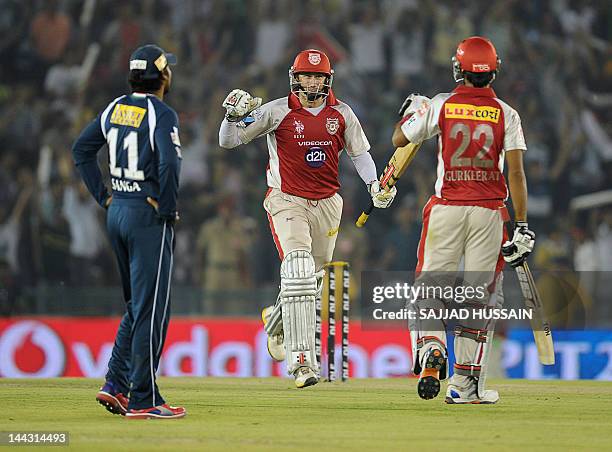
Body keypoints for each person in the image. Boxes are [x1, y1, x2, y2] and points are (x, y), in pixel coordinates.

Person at [219, 49, 396, 388]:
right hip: (287, 200)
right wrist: (231, 117)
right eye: (306, 75)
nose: (312, 81)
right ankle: (302, 363)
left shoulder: (342, 113)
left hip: (328, 203)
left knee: (310, 282)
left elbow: (361, 155)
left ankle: (276, 320)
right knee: (298, 270)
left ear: (327, 79)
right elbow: (227, 142)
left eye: (318, 76)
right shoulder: (275, 110)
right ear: (295, 77)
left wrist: (375, 186)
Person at [392, 36, 535, 404]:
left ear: (458, 69)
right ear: (493, 72)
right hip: (489, 213)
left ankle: (431, 348)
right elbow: (516, 175)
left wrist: (412, 112)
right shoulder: (507, 113)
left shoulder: (441, 105)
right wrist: (521, 225)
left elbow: (398, 140)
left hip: (446, 210)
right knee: (478, 300)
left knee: (430, 291)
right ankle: (464, 386)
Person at [72, 44, 185, 419]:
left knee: (137, 306)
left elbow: (81, 150)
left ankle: (115, 385)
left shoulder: (114, 108)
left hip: (118, 210)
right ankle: (144, 397)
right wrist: (167, 209)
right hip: (146, 217)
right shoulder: (162, 113)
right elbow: (169, 163)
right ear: (163, 77)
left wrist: (105, 197)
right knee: (152, 309)